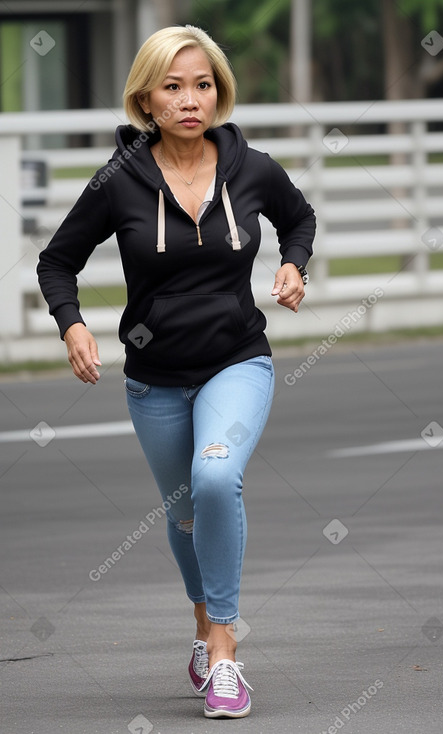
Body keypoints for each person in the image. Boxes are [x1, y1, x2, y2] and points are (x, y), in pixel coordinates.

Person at [37, 25, 315, 719]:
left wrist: (291, 264)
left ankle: (224, 651)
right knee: (187, 512)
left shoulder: (251, 167)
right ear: (146, 99)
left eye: (203, 85)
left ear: (218, 92)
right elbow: (56, 260)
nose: (191, 99)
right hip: (154, 377)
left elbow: (298, 218)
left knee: (218, 476)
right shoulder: (118, 182)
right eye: (173, 86)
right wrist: (72, 323)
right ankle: (202, 628)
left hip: (236, 359)